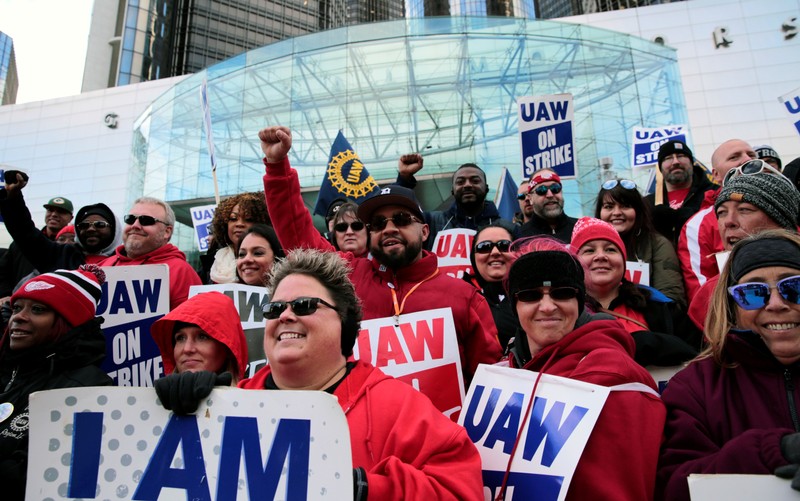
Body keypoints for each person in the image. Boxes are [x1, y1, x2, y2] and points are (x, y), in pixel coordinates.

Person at [156, 249, 484, 500]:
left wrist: (366, 488)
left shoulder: (400, 407)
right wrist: (168, 423)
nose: (284, 315)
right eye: (274, 308)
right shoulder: (229, 403)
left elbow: (460, 491)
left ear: (344, 322)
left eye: (304, 306)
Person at [258, 125, 502, 382]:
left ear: (425, 231)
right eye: (377, 223)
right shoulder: (348, 277)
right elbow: (299, 239)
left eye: (400, 219)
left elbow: (490, 381)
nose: (389, 229)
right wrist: (277, 167)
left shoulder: (464, 297)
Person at [503, 237, 665, 500]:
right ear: (515, 305)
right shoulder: (504, 370)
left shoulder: (616, 378)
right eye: (530, 295)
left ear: (579, 301)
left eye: (562, 292)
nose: (547, 306)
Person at [657, 230, 800, 500]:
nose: (777, 304)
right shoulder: (694, 387)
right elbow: (675, 487)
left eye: (795, 287)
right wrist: (764, 452)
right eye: (753, 293)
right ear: (733, 307)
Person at [0, 265, 114, 500]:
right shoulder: (11, 369)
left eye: (38, 309)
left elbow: (45, 480)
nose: (18, 317)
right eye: (17, 308)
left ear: (66, 322)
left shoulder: (89, 389)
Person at [571, 217, 699, 365]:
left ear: (623, 261)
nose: (600, 256)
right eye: (589, 250)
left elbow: (699, 354)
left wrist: (644, 343)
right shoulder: (563, 309)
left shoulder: (656, 302)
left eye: (610, 249)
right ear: (575, 262)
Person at [686, 166, 800, 329]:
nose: (728, 222)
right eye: (722, 212)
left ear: (781, 220)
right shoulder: (708, 297)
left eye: (744, 210)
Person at [677, 139, 758, 299]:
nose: (748, 160)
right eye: (734, 157)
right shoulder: (698, 226)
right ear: (716, 175)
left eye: (751, 155)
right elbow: (702, 297)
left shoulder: (787, 209)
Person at [0, 175, 122, 276]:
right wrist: (13, 197)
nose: (90, 229)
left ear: (114, 230)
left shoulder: (127, 260)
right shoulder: (60, 255)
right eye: (84, 225)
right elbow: (24, 231)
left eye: (99, 224)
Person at [595, 178, 685, 307]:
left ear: (638, 211)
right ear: (599, 212)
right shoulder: (589, 248)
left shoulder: (658, 245)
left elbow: (672, 299)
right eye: (609, 206)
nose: (616, 213)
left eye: (625, 206)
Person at [99, 197, 202, 309]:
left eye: (146, 220)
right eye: (130, 219)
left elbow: (190, 324)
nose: (135, 225)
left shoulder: (181, 272)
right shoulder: (102, 267)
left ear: (167, 232)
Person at [396, 154, 510, 250]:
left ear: (486, 188)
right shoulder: (431, 222)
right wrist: (404, 179)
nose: (467, 185)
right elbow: (396, 215)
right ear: (452, 191)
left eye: (475, 181)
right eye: (460, 182)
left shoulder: (509, 229)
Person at [150, 291, 248, 383]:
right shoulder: (154, 400)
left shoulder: (253, 399)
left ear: (228, 348)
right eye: (180, 338)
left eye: (202, 337)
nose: (187, 349)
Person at [0, 179, 74, 298]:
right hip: (17, 305)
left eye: (61, 211)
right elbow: (3, 272)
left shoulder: (74, 250)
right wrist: (4, 295)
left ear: (71, 218)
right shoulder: (21, 243)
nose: (54, 214)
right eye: (50, 210)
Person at [645, 140, 715, 247]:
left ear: (691, 163)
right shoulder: (647, 204)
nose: (675, 162)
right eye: (668, 158)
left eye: (681, 156)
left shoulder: (714, 193)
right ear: (660, 168)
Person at [462, 222, 519, 351]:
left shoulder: (535, 293)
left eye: (504, 246)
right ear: (473, 257)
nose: (495, 252)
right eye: (484, 247)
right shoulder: (458, 297)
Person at [204, 192, 271, 284]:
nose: (239, 224)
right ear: (224, 224)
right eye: (233, 219)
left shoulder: (276, 264)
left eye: (248, 219)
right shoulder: (212, 261)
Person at [516, 169, 578, 242]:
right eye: (542, 190)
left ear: (561, 192)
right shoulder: (519, 237)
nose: (550, 195)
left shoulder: (581, 229)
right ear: (530, 198)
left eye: (555, 188)